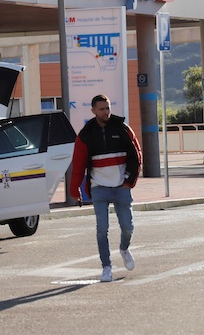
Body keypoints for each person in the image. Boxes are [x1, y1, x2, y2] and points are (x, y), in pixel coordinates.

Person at [69, 94, 142, 283]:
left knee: (128, 227)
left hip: (121, 186)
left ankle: (124, 249)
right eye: (102, 109)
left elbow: (136, 155)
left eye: (108, 107)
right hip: (99, 187)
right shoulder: (85, 134)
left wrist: (129, 181)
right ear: (93, 111)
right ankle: (106, 267)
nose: (106, 112)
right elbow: (77, 164)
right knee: (102, 228)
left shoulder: (122, 129)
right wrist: (74, 189)